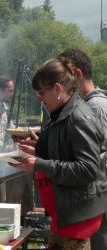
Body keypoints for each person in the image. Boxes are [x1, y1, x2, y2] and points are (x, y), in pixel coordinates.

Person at [10, 57, 107, 250]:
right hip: (66, 215)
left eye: (41, 92)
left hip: (76, 220)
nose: (39, 98)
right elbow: (66, 151)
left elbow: (88, 169)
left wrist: (38, 164)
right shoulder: (62, 113)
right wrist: (39, 150)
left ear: (57, 88)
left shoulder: (79, 117)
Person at [57, 48, 107, 250]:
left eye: (64, 78)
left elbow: (97, 159)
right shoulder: (88, 105)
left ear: (77, 74)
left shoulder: (95, 108)